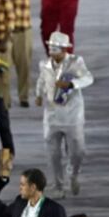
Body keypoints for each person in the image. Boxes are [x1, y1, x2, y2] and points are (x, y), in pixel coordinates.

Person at [35, 31, 93, 197]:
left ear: (64, 49)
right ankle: (58, 186)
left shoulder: (76, 62)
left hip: (72, 115)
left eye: (56, 48)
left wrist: (72, 84)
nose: (52, 52)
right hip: (52, 116)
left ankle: (73, 173)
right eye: (51, 48)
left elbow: (89, 78)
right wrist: (38, 95)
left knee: (78, 151)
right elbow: (41, 80)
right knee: (53, 154)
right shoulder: (44, 64)